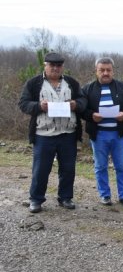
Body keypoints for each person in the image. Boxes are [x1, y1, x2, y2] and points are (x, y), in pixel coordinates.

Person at [18, 52, 87, 213]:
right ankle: (36, 200)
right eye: (52, 65)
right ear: (45, 65)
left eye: (58, 65)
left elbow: (84, 101)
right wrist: (38, 106)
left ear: (62, 67)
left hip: (68, 134)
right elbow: (23, 103)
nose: (55, 68)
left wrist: (76, 104)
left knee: (68, 169)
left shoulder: (71, 82)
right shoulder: (34, 83)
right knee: (41, 169)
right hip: (44, 135)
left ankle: (65, 197)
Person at [82, 57, 123, 206]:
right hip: (99, 134)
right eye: (102, 70)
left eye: (108, 70)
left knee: (122, 166)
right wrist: (91, 116)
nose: (105, 73)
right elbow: (81, 109)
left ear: (113, 71)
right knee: (100, 166)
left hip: (119, 134)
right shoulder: (87, 89)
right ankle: (105, 195)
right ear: (96, 71)